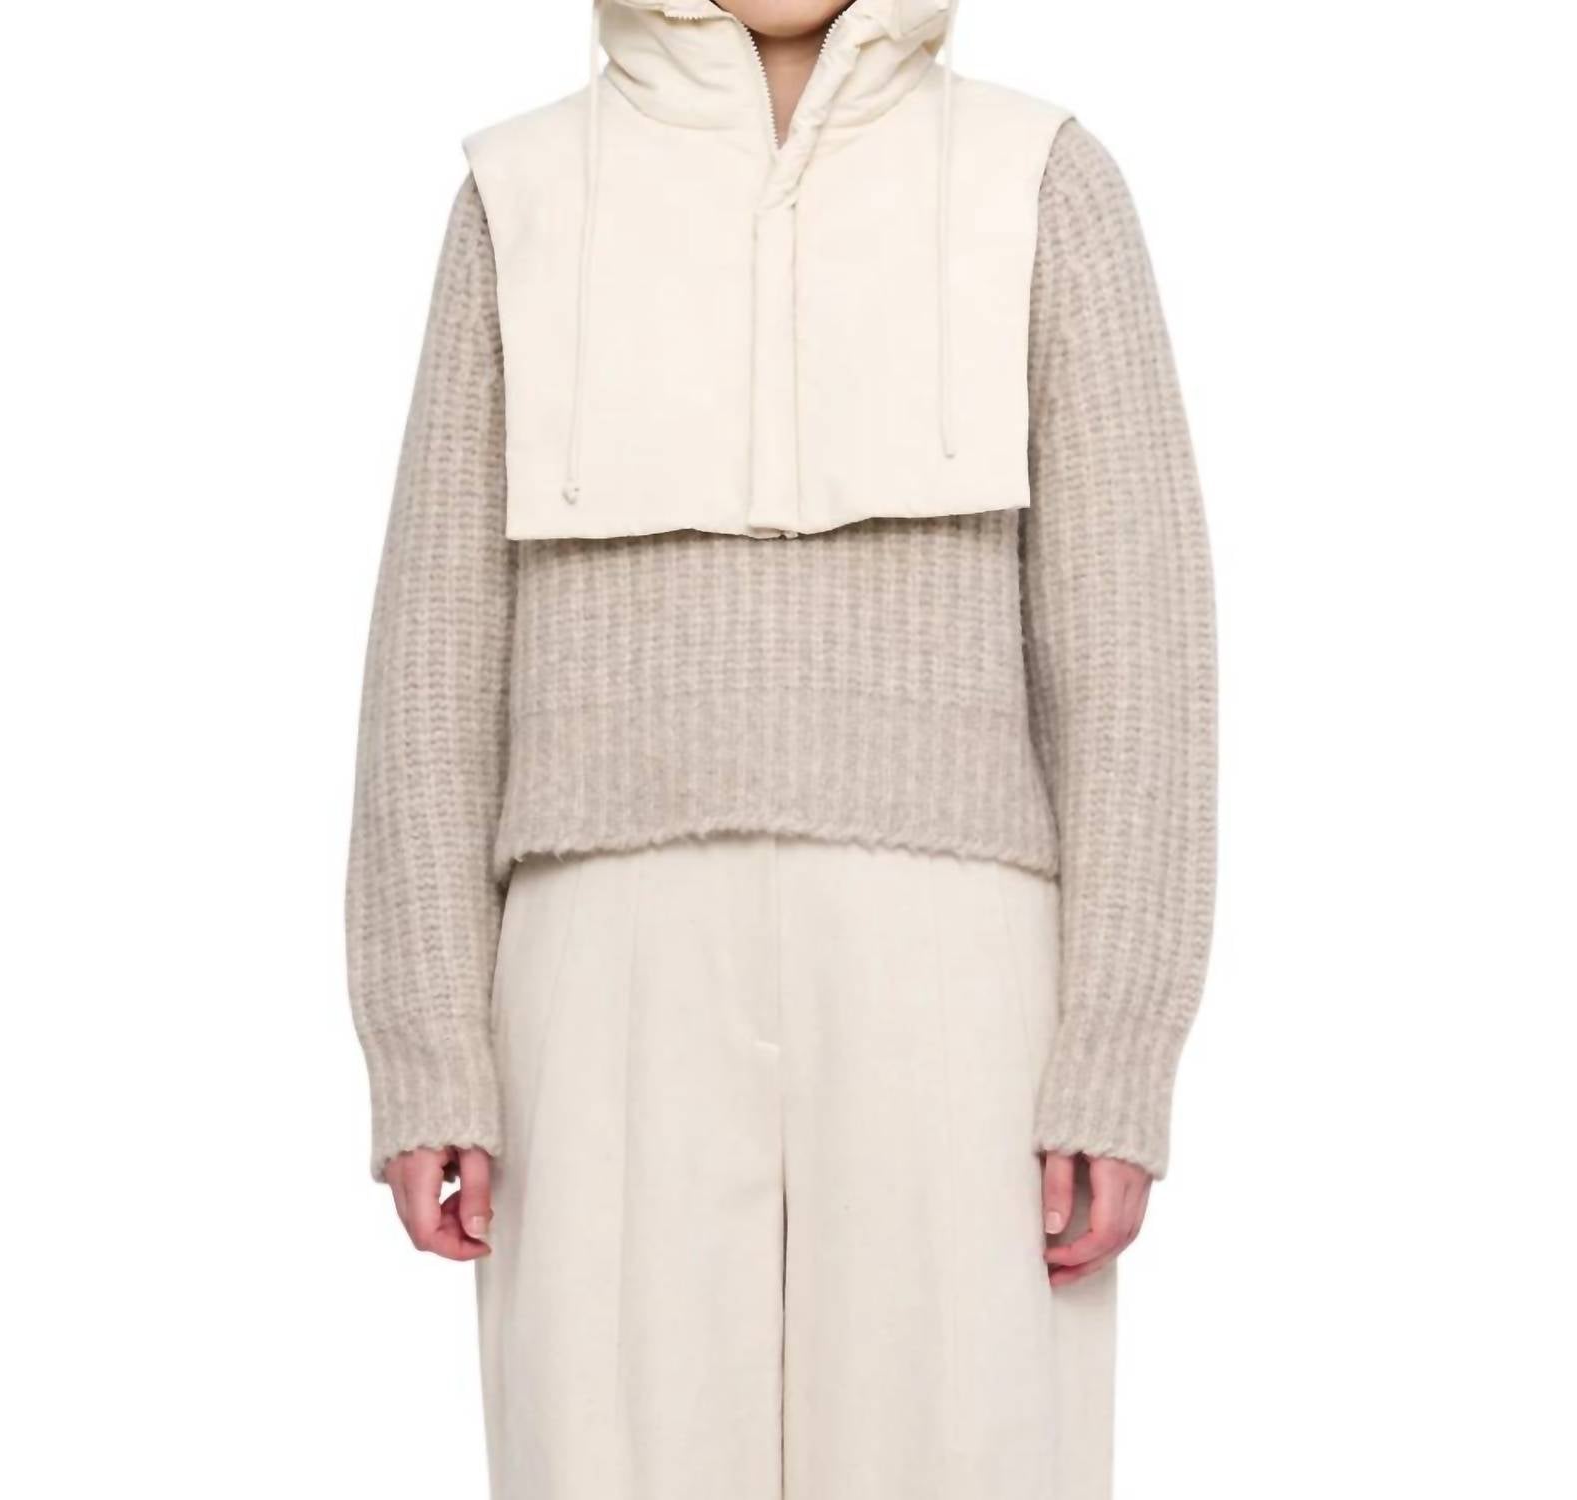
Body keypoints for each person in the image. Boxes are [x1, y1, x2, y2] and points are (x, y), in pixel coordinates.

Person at [345, 1, 1216, 1495]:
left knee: (965, 1456)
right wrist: (427, 1044)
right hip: (602, 962)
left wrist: (1118, 1050)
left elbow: (1134, 651)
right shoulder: (520, 193)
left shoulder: (1037, 177)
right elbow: (434, 654)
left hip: (956, 960)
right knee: (605, 1456)